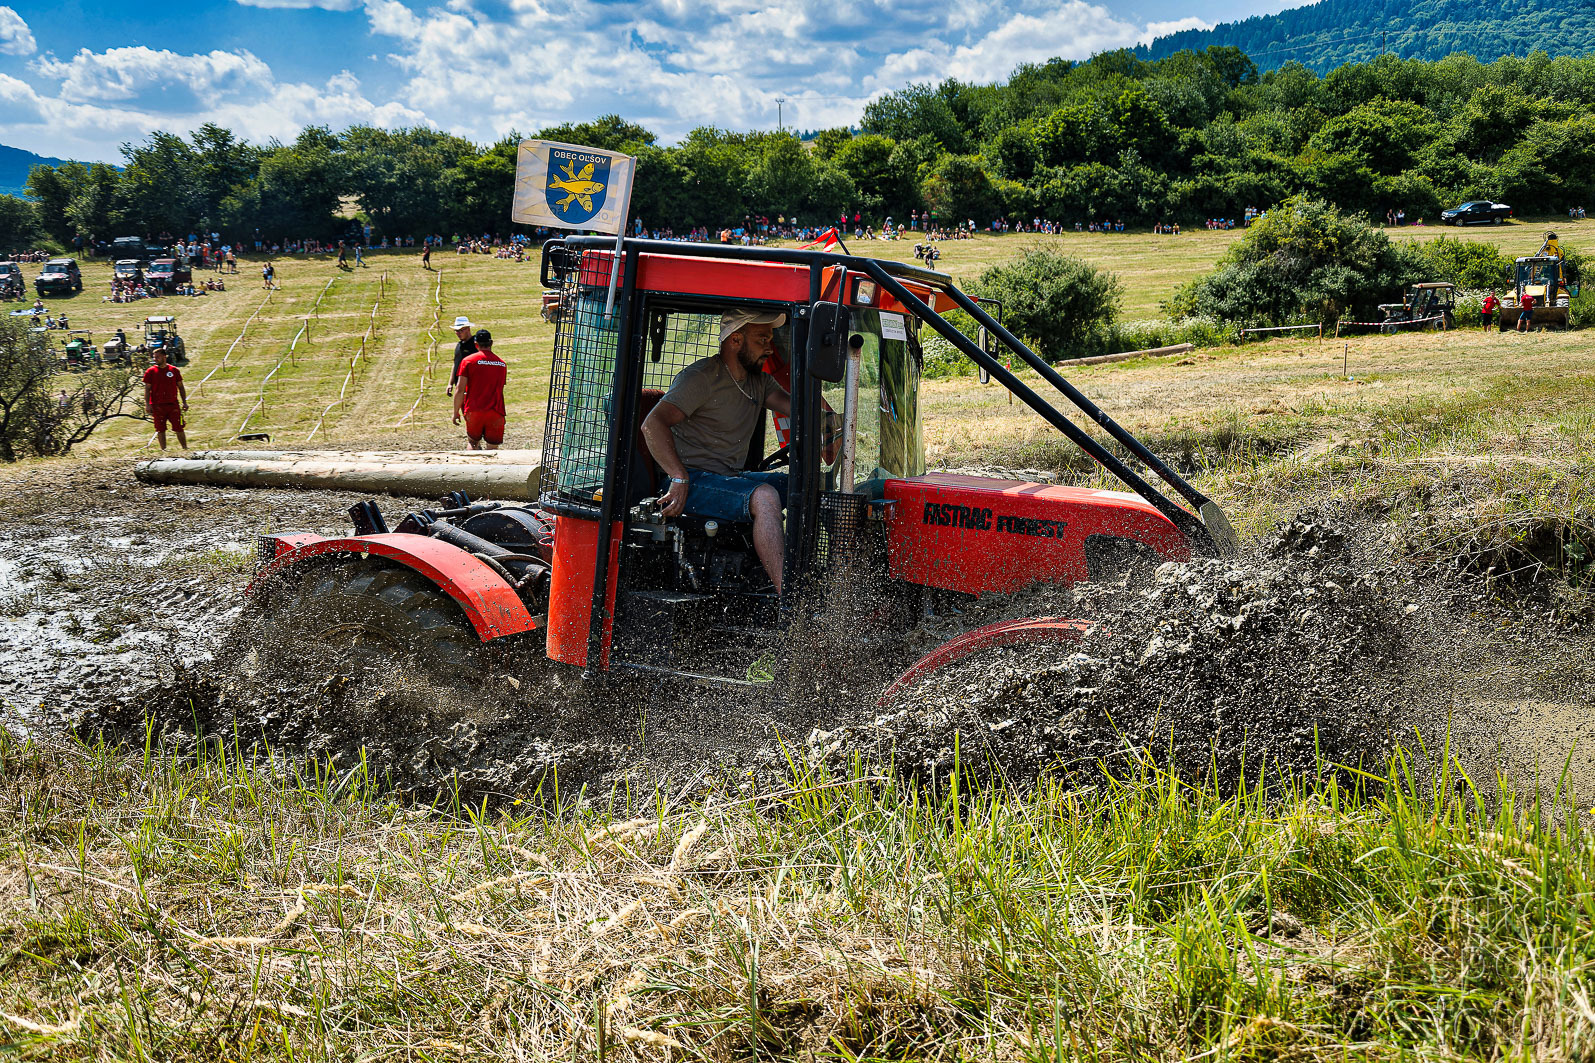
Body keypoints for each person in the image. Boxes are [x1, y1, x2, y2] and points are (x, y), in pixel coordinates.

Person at [639, 309, 795, 595]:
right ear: (735, 340)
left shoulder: (758, 382)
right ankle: (791, 600)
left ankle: (813, 578)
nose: (770, 348)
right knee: (764, 497)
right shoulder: (701, 378)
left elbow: (798, 409)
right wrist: (679, 476)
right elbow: (652, 424)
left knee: (801, 486)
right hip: (690, 483)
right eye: (762, 339)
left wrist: (828, 420)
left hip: (727, 479)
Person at [452, 329, 506, 450]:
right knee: (492, 448)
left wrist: (455, 412)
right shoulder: (502, 364)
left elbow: (459, 389)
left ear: (476, 344)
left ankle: (471, 462)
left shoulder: (468, 361)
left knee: (473, 443)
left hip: (474, 409)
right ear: (491, 343)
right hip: (496, 410)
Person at [143, 348, 189, 450]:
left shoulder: (174, 370)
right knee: (160, 429)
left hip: (173, 405)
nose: (155, 359)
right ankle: (163, 450)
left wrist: (184, 402)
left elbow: (181, 387)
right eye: (154, 357)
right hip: (157, 406)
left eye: (157, 357)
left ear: (164, 357)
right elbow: (147, 389)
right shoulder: (150, 372)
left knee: (179, 427)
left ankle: (185, 448)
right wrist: (147, 404)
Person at [445, 315, 477, 396]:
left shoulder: (475, 345)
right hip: (459, 388)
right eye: (456, 331)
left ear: (468, 329)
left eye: (461, 330)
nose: (458, 333)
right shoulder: (459, 345)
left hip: (472, 388)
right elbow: (455, 364)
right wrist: (450, 383)